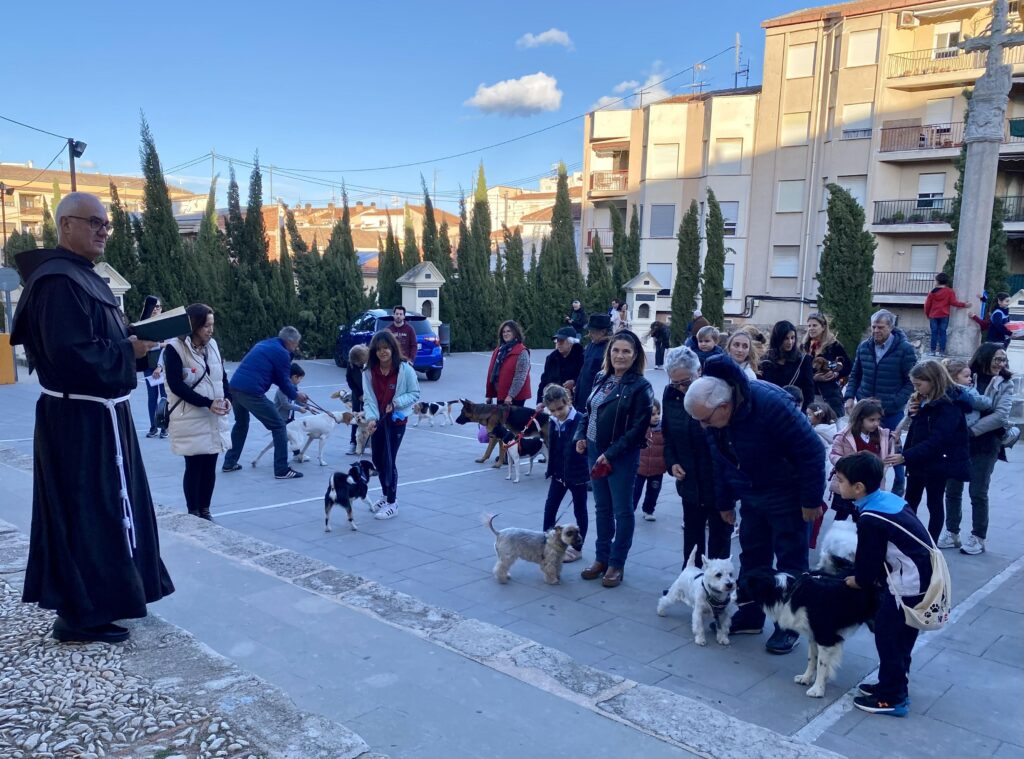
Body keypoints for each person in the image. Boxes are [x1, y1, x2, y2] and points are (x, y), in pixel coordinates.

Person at [10, 191, 174, 644]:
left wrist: (139, 342)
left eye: (107, 224)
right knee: (86, 512)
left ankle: (115, 597)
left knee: (109, 510)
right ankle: (79, 615)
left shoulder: (84, 277)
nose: (104, 230)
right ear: (65, 226)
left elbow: (105, 341)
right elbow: (70, 357)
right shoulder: (57, 282)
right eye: (95, 222)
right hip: (78, 422)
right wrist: (129, 351)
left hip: (103, 417)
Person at [684, 353, 825, 654]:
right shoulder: (715, 420)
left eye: (705, 419)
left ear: (723, 406)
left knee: (790, 565)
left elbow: (812, 450)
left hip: (789, 495)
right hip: (752, 494)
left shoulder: (770, 405)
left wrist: (811, 499)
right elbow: (720, 462)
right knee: (752, 558)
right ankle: (748, 616)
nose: (703, 427)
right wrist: (725, 502)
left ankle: (788, 627)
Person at [835, 452, 932, 718]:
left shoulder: (872, 518)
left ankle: (892, 697)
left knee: (888, 635)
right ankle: (894, 680)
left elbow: (869, 560)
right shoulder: (887, 500)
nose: (836, 483)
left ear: (858, 488)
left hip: (907, 583)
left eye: (840, 480)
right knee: (902, 636)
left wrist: (858, 580)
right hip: (921, 575)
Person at [575, 330, 654, 588]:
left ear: (635, 355)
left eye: (626, 351)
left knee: (622, 510)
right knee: (602, 508)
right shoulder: (602, 377)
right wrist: (581, 436)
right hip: (595, 450)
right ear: (609, 353)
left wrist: (609, 454)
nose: (620, 356)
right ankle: (601, 558)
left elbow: (637, 430)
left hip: (619, 456)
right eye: (616, 350)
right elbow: (588, 412)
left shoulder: (641, 387)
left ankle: (616, 564)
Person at [885, 360, 969, 542]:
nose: (917, 388)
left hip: (937, 463)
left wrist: (905, 456)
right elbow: (919, 430)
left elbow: (938, 440)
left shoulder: (949, 405)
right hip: (918, 461)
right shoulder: (924, 399)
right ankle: (907, 538)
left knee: (934, 503)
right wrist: (914, 415)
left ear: (933, 381)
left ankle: (931, 545)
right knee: (910, 501)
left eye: (919, 384)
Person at [941, 343, 1014, 555]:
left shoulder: (1005, 383)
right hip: (957, 444)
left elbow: (1001, 415)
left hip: (986, 443)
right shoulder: (964, 374)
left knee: (978, 491)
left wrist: (971, 431)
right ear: (985, 357)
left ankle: (978, 536)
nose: (1001, 364)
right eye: (997, 359)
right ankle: (951, 531)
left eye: (1003, 360)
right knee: (952, 489)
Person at [163, 303, 232, 521]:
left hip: (213, 414)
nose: (210, 330)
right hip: (189, 416)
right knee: (194, 465)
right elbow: (175, 385)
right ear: (193, 325)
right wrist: (206, 402)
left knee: (210, 464)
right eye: (206, 325)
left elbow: (221, 376)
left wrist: (227, 399)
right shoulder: (174, 348)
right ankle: (193, 511)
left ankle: (205, 510)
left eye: (212, 325)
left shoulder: (213, 346)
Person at [662, 347, 730, 565]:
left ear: (698, 372)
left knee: (719, 538)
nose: (681, 389)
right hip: (689, 478)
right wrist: (672, 463)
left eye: (686, 382)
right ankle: (690, 579)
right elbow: (668, 434)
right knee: (692, 535)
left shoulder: (716, 392)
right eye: (676, 383)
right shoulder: (670, 393)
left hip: (717, 479)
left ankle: (716, 587)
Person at [844, 309, 917, 497]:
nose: (876, 331)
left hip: (891, 409)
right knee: (864, 445)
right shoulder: (864, 347)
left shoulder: (905, 349)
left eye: (880, 327)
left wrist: (895, 402)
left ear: (891, 328)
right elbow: (855, 374)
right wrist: (850, 396)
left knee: (893, 444)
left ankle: (900, 480)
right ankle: (867, 482)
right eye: (873, 327)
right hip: (866, 408)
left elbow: (912, 381)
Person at [221, 326, 310, 479]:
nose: (296, 347)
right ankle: (282, 469)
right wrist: (296, 395)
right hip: (251, 392)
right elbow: (283, 379)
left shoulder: (264, 344)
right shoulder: (282, 353)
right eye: (296, 344)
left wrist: (294, 392)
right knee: (279, 425)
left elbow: (273, 375)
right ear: (290, 342)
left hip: (234, 387)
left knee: (241, 424)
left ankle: (229, 462)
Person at [363, 330, 421, 520]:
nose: (383, 352)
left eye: (386, 348)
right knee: (378, 460)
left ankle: (392, 502)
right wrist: (371, 419)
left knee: (388, 459)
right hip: (378, 420)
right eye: (379, 349)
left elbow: (414, 393)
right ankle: (385, 494)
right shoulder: (369, 370)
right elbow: (369, 399)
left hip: (396, 421)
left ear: (392, 348)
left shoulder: (405, 369)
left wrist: (396, 403)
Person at [541, 384, 589, 562]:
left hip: (577, 475)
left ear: (568, 401)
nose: (557, 413)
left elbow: (586, 449)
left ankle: (577, 548)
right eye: (552, 410)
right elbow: (553, 449)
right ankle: (547, 544)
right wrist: (552, 470)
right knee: (550, 508)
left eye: (560, 408)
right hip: (558, 475)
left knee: (580, 511)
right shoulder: (552, 421)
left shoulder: (581, 420)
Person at [829, 399, 897, 521]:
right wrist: (850, 466)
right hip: (848, 485)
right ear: (860, 419)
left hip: (869, 488)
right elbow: (834, 455)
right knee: (841, 516)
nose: (876, 423)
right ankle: (836, 538)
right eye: (871, 420)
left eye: (878, 420)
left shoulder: (883, 435)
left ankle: (862, 539)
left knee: (864, 519)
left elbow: (888, 455)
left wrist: (895, 442)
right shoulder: (844, 436)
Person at [759, 320, 815, 412]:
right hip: (770, 410)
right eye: (786, 338)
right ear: (778, 339)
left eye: (792, 338)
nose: (790, 342)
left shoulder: (803, 360)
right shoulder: (765, 361)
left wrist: (804, 414)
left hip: (793, 410)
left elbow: (808, 391)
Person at [802, 313, 851, 418]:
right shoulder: (804, 347)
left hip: (830, 395)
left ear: (823, 327)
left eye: (814, 325)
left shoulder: (833, 346)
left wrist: (835, 373)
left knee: (833, 427)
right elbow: (800, 371)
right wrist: (814, 378)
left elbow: (848, 366)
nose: (811, 328)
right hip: (811, 395)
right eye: (809, 326)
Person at [139, 295, 168, 439]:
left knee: (164, 396)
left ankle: (164, 427)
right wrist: (158, 344)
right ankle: (153, 427)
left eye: (158, 306)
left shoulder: (166, 323)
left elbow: (169, 345)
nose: (156, 309)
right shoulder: (144, 324)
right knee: (152, 397)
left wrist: (160, 366)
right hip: (148, 366)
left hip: (162, 366)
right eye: (153, 307)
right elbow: (141, 345)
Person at [485, 320, 532, 407]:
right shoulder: (499, 350)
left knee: (511, 420)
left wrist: (510, 396)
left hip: (515, 397)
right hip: (501, 393)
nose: (505, 334)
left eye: (508, 331)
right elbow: (492, 374)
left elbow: (520, 377)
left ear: (515, 332)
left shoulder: (522, 351)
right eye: (503, 332)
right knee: (501, 420)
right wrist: (490, 395)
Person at [574, 313, 613, 412]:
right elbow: (583, 369)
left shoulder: (611, 348)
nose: (589, 334)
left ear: (603, 331)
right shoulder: (591, 345)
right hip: (582, 395)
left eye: (592, 331)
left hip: (596, 398)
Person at [536, 327, 584, 407]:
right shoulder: (551, 358)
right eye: (556, 340)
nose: (558, 343)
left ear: (571, 342)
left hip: (573, 402)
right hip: (553, 400)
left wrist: (574, 382)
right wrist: (540, 401)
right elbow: (544, 380)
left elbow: (585, 378)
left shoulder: (581, 357)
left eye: (561, 341)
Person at [923, 273, 968, 356]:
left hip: (933, 315)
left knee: (934, 333)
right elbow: (954, 302)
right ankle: (942, 352)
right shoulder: (950, 291)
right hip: (944, 315)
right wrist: (964, 305)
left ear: (938, 281)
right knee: (943, 333)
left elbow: (927, 305)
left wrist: (927, 314)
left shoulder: (932, 292)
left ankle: (932, 351)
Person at [346, 344, 369, 455]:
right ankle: (353, 442)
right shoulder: (351, 363)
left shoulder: (371, 362)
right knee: (356, 417)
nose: (357, 365)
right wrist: (359, 394)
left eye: (359, 363)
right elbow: (349, 379)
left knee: (371, 417)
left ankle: (370, 442)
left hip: (371, 395)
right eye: (355, 363)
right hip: (357, 394)